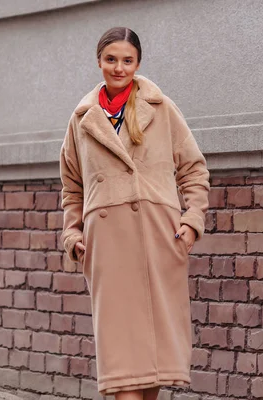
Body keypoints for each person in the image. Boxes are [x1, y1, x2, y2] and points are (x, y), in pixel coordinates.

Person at [59, 27, 210, 400]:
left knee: (153, 361)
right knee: (123, 363)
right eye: (111, 59)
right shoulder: (81, 119)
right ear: (99, 62)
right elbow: (71, 186)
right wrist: (73, 235)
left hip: (159, 238)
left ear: (138, 63)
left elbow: (193, 169)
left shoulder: (161, 108)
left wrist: (191, 223)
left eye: (127, 60)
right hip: (109, 245)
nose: (119, 67)